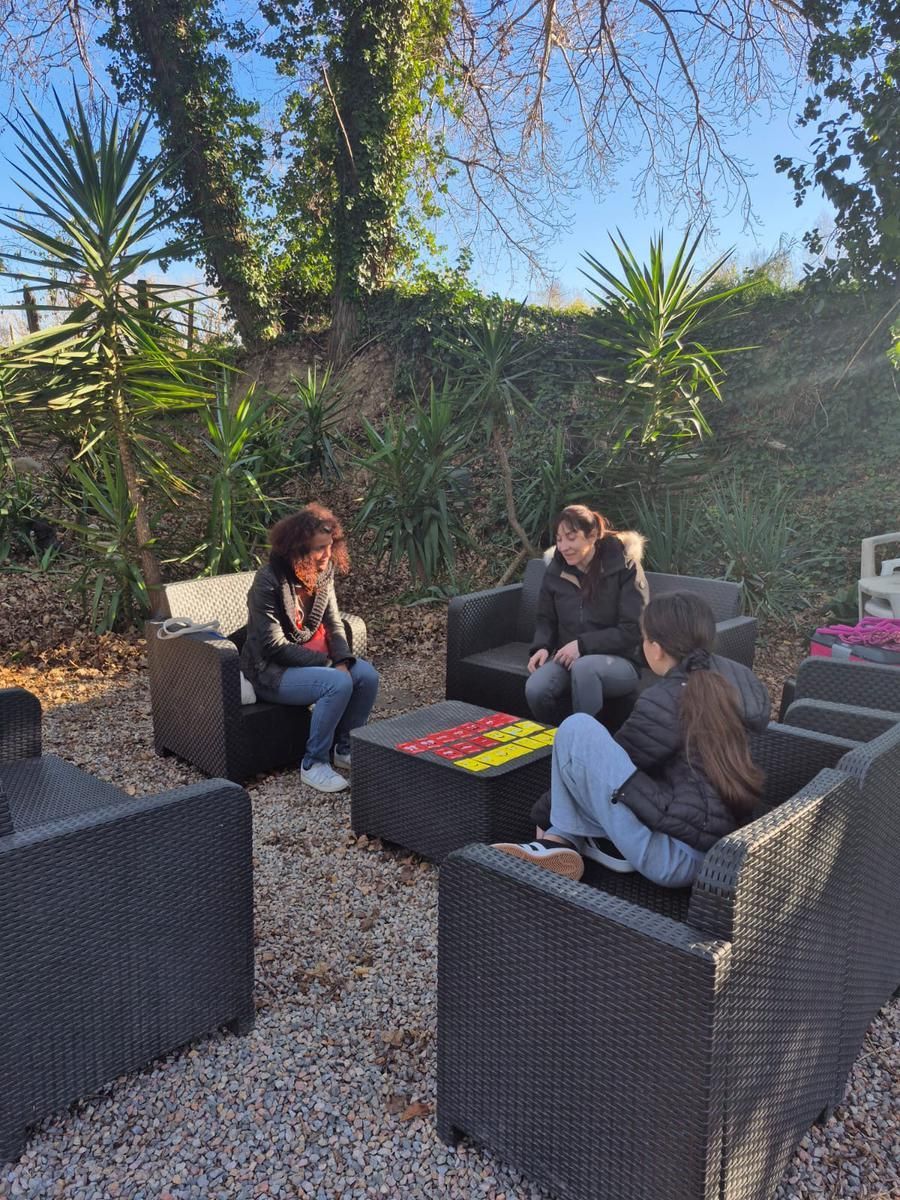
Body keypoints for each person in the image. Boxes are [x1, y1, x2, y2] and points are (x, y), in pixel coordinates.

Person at [495, 591, 770, 886]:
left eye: (644, 638)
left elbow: (616, 764)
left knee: (576, 730)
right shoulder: (739, 681)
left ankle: (557, 839)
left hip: (675, 857)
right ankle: (568, 840)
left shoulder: (668, 698)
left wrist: (542, 814)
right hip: (721, 850)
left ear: (656, 648)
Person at [240, 504, 379, 794]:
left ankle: (344, 748)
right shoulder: (268, 581)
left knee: (366, 676)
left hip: (308, 661)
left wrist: (342, 656)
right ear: (296, 549)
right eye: (318, 549)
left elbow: (333, 622)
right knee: (338, 682)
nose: (327, 555)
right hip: (270, 671)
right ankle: (313, 763)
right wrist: (329, 664)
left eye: (330, 546)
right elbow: (272, 645)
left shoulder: (323, 574)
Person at [525, 504, 647, 726]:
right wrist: (542, 646)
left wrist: (583, 645)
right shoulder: (556, 569)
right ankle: (562, 738)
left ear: (592, 536)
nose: (563, 547)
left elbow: (633, 629)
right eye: (559, 539)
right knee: (536, 688)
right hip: (568, 658)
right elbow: (546, 618)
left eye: (571, 538)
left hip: (620, 661)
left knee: (585, 668)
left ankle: (590, 746)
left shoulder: (623, 566)